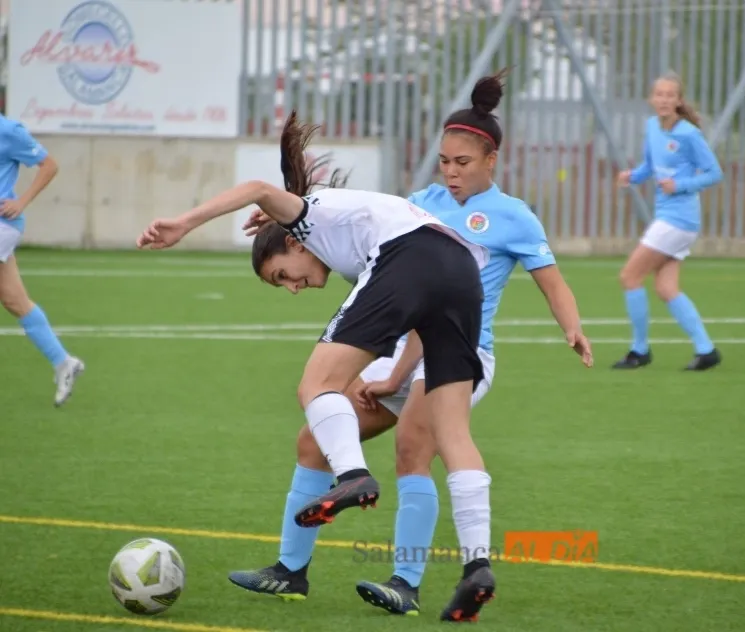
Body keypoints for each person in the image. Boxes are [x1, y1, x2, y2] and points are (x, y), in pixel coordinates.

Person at [227, 71, 593, 622]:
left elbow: (553, 281)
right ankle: (289, 571)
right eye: (444, 160)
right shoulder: (420, 202)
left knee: (413, 448)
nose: (449, 171)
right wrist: (292, 217)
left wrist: (572, 326)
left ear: (491, 160)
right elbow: (362, 233)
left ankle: (407, 582)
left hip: (457, 350)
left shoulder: (514, 216)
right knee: (313, 442)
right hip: (396, 349)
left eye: (461, 163)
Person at [135, 110, 498, 622]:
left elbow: (259, 187)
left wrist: (183, 223)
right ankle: (476, 566)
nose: (292, 287)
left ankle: (352, 476)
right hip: (462, 271)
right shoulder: (344, 230)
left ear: (294, 242)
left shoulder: (307, 215)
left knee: (316, 383)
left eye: (283, 274)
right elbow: (420, 314)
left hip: (411, 256)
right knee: (453, 431)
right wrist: (395, 378)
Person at [613, 72, 723, 371]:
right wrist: (632, 177)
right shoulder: (651, 127)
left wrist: (681, 185)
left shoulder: (688, 134)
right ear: (652, 99)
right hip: (668, 217)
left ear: (678, 100)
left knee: (630, 277)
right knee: (665, 287)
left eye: (669, 95)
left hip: (680, 219)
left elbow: (714, 173)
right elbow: (650, 165)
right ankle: (706, 350)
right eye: (658, 94)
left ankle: (639, 351)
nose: (663, 100)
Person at [0, 114, 85, 405]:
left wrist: (21, 201)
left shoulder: (8, 131)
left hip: (3, 224)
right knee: (14, 301)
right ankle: (64, 363)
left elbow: (49, 165)